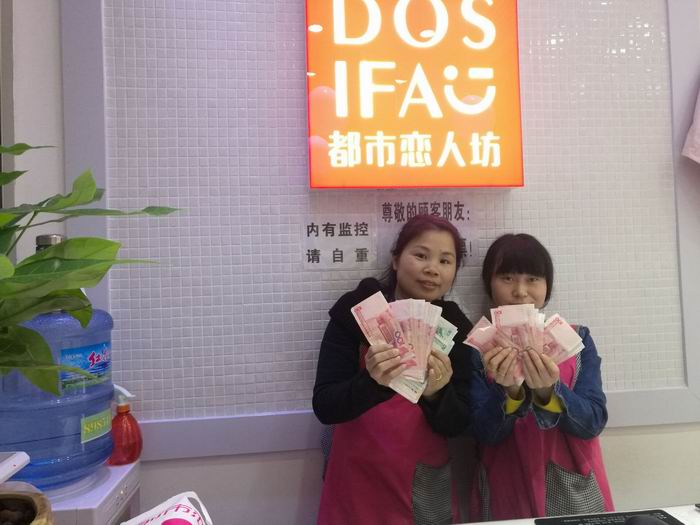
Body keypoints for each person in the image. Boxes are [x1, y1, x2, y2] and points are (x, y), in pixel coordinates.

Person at [313, 215, 474, 525]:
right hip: (355, 480)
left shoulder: (456, 330)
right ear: (396, 259)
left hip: (422, 484)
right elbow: (325, 405)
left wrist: (437, 395)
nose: (432, 268)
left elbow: (460, 425)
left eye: (445, 260)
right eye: (421, 255)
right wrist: (371, 381)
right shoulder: (355, 313)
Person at [468, 233, 614, 521]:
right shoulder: (478, 347)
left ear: (547, 286)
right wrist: (509, 393)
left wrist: (549, 392)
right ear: (489, 284)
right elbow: (484, 433)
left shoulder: (576, 338)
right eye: (507, 278)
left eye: (533, 279)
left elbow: (593, 422)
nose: (520, 291)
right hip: (505, 483)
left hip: (571, 487)